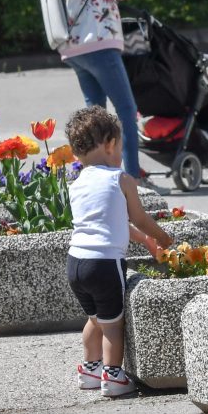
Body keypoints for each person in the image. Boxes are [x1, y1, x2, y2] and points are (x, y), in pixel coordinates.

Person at [45, 0, 161, 191]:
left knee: (95, 115)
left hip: (74, 46)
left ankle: (98, 177)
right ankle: (132, 179)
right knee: (125, 109)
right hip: (97, 43)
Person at [64, 106, 175, 397]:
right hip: (104, 264)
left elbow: (111, 222)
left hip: (75, 263)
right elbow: (138, 217)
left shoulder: (76, 185)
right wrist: (162, 237)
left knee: (95, 320)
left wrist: (143, 241)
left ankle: (89, 369)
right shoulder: (121, 179)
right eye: (122, 148)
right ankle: (113, 376)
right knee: (114, 324)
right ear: (111, 145)